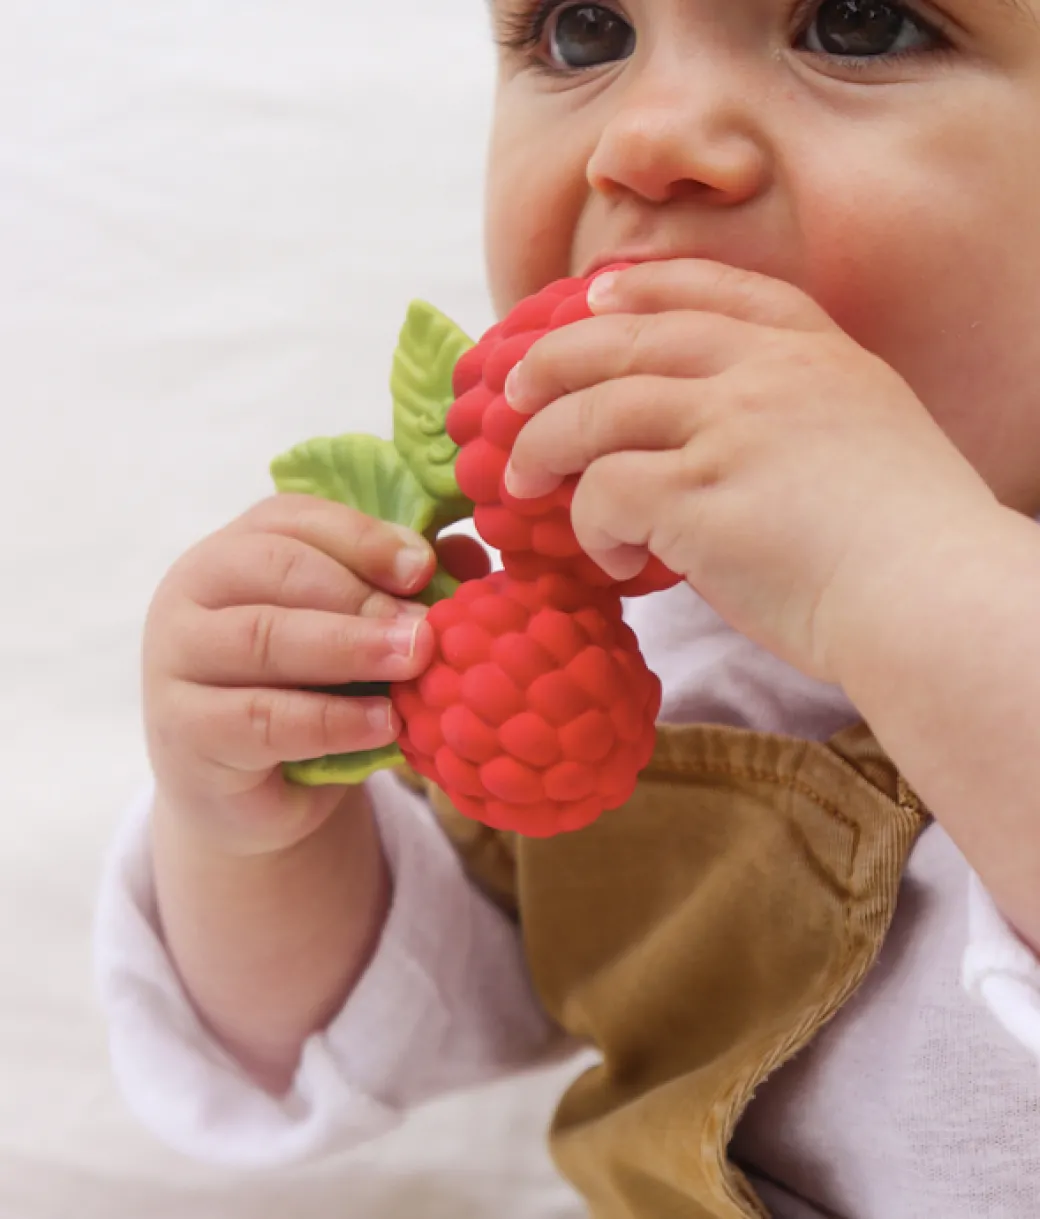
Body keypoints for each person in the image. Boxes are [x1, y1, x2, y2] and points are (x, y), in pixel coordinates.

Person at [95, 1, 1040, 1214]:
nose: (646, 139)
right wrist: (250, 827)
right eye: (581, 34)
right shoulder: (580, 628)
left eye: (859, 27)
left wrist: (899, 567)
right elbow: (360, 1023)